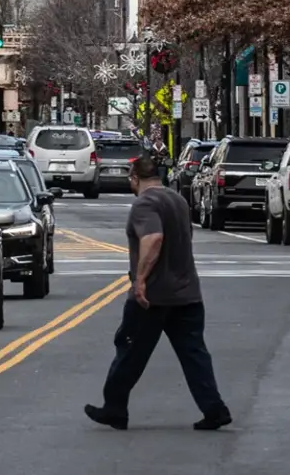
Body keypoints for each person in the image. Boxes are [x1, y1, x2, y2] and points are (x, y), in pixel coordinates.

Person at [85, 154, 232, 431]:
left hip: (153, 296)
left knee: (129, 350)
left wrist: (140, 280)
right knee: (194, 354)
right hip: (187, 292)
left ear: (134, 178)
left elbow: (153, 238)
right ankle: (214, 408)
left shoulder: (144, 203)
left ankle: (115, 408)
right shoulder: (177, 200)